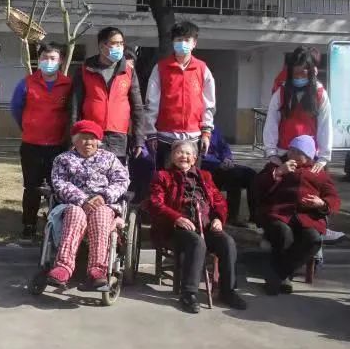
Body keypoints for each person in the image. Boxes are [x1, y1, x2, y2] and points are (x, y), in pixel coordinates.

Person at [146, 139, 247, 313]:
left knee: (227, 242)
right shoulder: (162, 176)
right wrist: (176, 218)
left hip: (205, 226)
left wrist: (218, 219)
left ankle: (228, 291)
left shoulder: (205, 176)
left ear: (194, 158)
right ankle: (188, 294)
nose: (183, 156)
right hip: (174, 229)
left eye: (188, 153)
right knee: (196, 242)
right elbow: (155, 203)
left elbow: (219, 201)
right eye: (179, 152)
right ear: (172, 156)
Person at [46, 120, 130, 289]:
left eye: (92, 139)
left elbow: (122, 180)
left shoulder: (109, 158)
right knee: (75, 214)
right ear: (75, 140)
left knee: (101, 215)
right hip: (73, 204)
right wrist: (82, 200)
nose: (88, 142)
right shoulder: (63, 159)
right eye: (83, 138)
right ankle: (63, 267)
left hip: (103, 204)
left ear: (98, 141)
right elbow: (60, 183)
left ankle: (97, 270)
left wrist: (103, 197)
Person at [255, 135, 341, 295]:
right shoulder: (277, 164)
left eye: (297, 152)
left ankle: (278, 275)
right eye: (291, 150)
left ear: (307, 156)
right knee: (283, 233)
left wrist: (321, 203)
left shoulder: (317, 172)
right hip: (278, 212)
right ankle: (283, 278)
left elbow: (334, 198)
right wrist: (278, 172)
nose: (291, 154)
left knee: (313, 239)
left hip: (306, 216)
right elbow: (257, 186)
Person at [10, 42, 72, 239]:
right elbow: (16, 109)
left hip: (58, 146)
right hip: (32, 145)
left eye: (53, 58)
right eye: (44, 58)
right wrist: (29, 126)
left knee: (57, 187)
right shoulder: (26, 83)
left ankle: (55, 227)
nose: (48, 62)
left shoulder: (68, 85)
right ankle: (28, 225)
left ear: (61, 60)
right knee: (31, 187)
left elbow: (71, 112)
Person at [144, 21, 216, 169]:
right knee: (164, 179)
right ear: (173, 42)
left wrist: (206, 132)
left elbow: (209, 103)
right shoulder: (161, 68)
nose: (183, 43)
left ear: (194, 43)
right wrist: (151, 132)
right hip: (165, 137)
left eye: (187, 39)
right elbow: (152, 102)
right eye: (179, 39)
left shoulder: (202, 69)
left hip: (194, 137)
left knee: (191, 180)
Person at [71, 26, 144, 161]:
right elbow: (75, 106)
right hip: (91, 134)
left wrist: (139, 139)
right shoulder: (85, 70)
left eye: (121, 43)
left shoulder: (128, 71)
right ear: (102, 46)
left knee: (116, 171)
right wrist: (73, 136)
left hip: (119, 136)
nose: (119, 47)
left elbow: (137, 107)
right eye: (114, 43)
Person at [263, 46, 332, 173]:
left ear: (311, 71)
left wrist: (323, 157)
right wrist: (271, 152)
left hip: (310, 156)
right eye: (295, 74)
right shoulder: (281, 93)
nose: (299, 78)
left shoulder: (320, 94)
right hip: (284, 153)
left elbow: (325, 125)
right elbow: (271, 122)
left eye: (303, 73)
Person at [201, 126, 257, 226]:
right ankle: (232, 217)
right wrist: (218, 163)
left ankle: (255, 217)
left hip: (222, 164)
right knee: (235, 175)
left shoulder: (213, 129)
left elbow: (224, 146)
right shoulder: (194, 131)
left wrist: (227, 158)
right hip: (207, 167)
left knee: (251, 174)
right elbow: (198, 155)